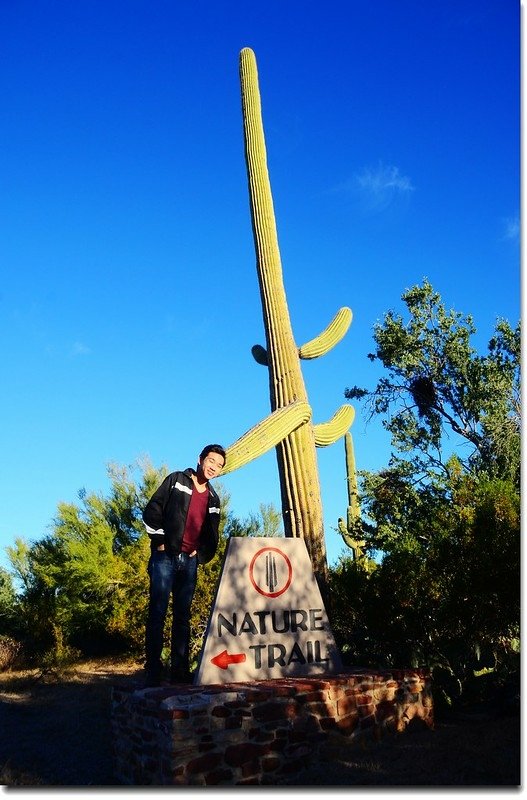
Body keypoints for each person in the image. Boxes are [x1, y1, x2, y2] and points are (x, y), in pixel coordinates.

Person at [142, 443, 226, 686]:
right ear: (200, 460)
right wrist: (159, 542)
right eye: (211, 461)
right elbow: (152, 509)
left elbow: (212, 533)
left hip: (189, 562)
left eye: (219, 466)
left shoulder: (213, 498)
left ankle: (179, 671)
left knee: (182, 616)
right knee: (157, 612)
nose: (214, 467)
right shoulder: (177, 480)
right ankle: (154, 671)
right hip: (164, 557)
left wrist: (200, 554)